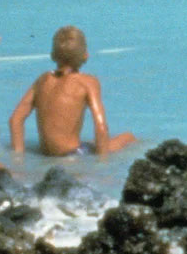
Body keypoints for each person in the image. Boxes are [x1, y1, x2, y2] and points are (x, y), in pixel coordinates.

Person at [9, 25, 135, 156]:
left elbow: (15, 120)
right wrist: (103, 163)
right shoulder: (87, 82)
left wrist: (18, 155)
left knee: (90, 142)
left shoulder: (42, 80)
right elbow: (101, 127)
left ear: (53, 55)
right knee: (128, 137)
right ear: (85, 55)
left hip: (44, 154)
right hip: (72, 154)